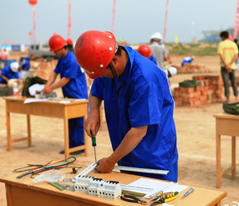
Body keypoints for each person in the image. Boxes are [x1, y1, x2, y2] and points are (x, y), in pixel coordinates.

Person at [74, 30, 178, 182]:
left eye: (101, 73)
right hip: (125, 154)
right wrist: (94, 113)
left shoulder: (145, 79)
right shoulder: (107, 66)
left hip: (153, 159)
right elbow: (96, 91)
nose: (101, 77)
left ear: (114, 61)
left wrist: (110, 161)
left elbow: (139, 131)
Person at [42, 34, 88, 155]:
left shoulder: (72, 60)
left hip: (78, 96)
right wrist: (47, 85)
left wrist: (50, 88)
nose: (54, 53)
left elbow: (66, 79)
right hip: (69, 95)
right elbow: (54, 73)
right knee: (70, 122)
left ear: (62, 48)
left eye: (55, 50)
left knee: (78, 122)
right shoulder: (62, 60)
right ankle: (71, 145)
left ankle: (79, 146)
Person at [217, 31, 239, 103]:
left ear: (223, 37)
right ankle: (237, 98)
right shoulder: (233, 44)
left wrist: (226, 65)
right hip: (232, 66)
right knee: (233, 82)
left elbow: (221, 55)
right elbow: (236, 56)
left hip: (224, 66)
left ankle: (228, 99)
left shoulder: (221, 44)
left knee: (226, 82)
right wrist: (230, 64)